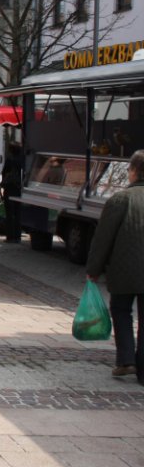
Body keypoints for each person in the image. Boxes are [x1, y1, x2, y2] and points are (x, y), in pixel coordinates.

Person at [86, 149, 144, 382]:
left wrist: (93, 269)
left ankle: (126, 360)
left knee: (121, 311)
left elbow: (103, 239)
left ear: (134, 171)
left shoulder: (120, 199)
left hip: (124, 269)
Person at [1, 141, 23, 243]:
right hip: (19, 188)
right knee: (18, 213)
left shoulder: (9, 159)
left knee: (10, 213)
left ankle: (10, 236)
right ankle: (18, 236)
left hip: (10, 188)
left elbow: (4, 172)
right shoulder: (22, 160)